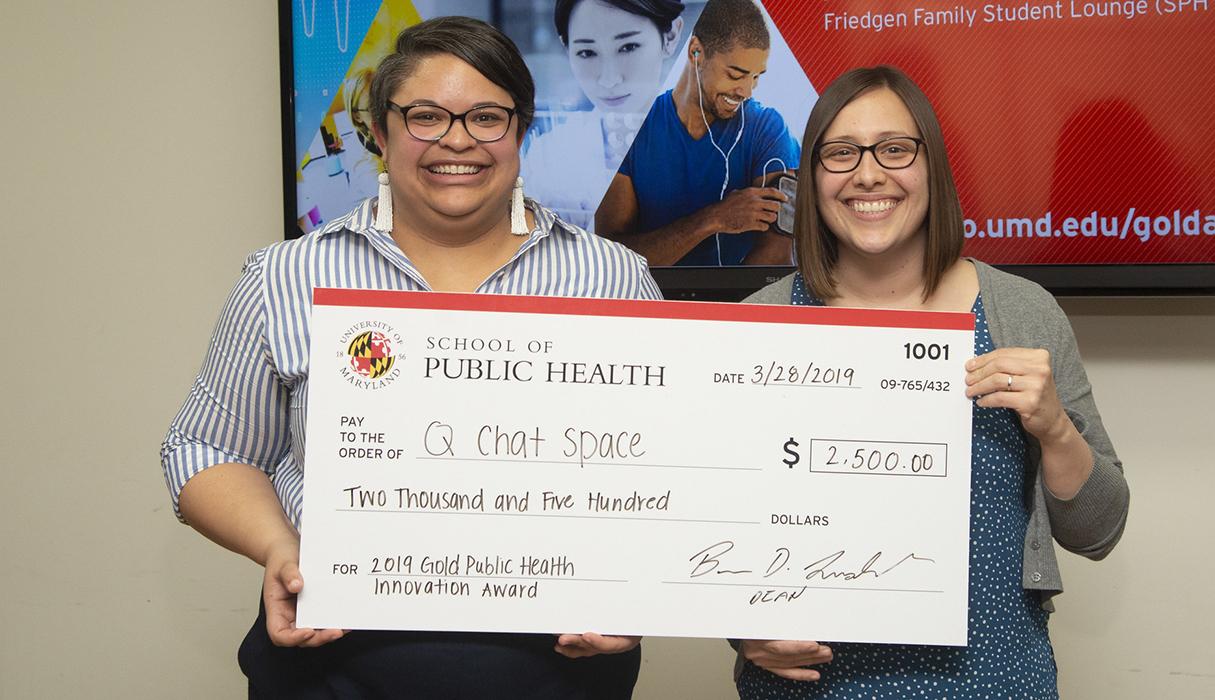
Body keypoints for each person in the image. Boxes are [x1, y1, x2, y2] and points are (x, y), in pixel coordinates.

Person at [161, 16, 659, 698]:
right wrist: (280, 549)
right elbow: (205, 449)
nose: (458, 140)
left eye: (487, 116)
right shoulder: (285, 277)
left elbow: (669, 469)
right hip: (331, 665)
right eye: (426, 115)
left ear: (523, 128)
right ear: (381, 129)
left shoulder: (614, 279)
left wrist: (636, 584)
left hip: (557, 667)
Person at [736, 65, 1129, 698]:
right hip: (814, 687)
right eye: (840, 154)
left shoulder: (1021, 313)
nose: (868, 174)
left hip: (995, 679)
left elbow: (1099, 530)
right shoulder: (757, 327)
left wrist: (1055, 429)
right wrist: (740, 630)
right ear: (810, 179)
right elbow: (711, 531)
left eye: (894, 149)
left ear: (932, 168)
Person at [595, 0, 799, 267]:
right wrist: (713, 219)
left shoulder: (769, 129)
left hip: (740, 303)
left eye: (756, 76)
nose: (747, 91)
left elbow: (776, 255)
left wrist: (725, 306)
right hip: (648, 301)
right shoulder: (631, 126)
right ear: (696, 52)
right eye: (736, 74)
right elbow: (613, 258)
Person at [523, 0, 686, 227]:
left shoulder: (719, 144)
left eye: (628, 47)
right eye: (587, 52)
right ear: (567, 49)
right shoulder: (547, 156)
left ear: (670, 36)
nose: (609, 79)